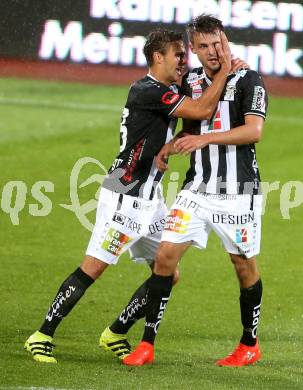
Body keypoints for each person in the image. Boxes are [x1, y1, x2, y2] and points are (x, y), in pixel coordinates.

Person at [24, 28, 234, 363]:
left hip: (150, 198)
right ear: (157, 57)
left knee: (168, 272)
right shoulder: (146, 89)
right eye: (178, 54)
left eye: (185, 53)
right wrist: (226, 70)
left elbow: (193, 113)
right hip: (125, 191)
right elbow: (201, 111)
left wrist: (171, 141)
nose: (184, 60)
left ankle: (116, 332)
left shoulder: (167, 88)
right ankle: (42, 334)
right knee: (94, 266)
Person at [123, 15, 268, 367]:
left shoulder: (249, 79)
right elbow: (187, 123)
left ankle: (249, 344)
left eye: (217, 43)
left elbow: (254, 132)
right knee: (165, 257)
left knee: (242, 264)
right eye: (203, 46)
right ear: (194, 49)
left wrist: (205, 138)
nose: (212, 51)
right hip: (197, 188)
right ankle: (146, 344)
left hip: (238, 189)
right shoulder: (188, 80)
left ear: (225, 40)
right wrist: (168, 146)